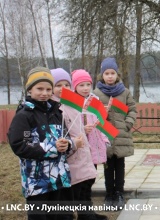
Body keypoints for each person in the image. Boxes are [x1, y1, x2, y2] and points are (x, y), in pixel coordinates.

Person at [7, 67, 77, 220]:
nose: (44, 93)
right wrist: (53, 148)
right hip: (37, 183)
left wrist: (68, 144)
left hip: (60, 180)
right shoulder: (24, 115)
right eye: (39, 88)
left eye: (48, 89)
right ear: (30, 89)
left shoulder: (57, 112)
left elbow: (66, 137)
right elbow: (21, 145)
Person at [51, 68, 107, 220]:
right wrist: (73, 142)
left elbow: (78, 125)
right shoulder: (55, 107)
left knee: (86, 183)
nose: (63, 89)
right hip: (71, 152)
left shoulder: (71, 104)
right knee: (76, 188)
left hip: (82, 150)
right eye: (58, 85)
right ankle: (84, 214)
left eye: (66, 85)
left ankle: (87, 213)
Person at [94, 57, 137, 209]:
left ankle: (119, 193)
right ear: (102, 75)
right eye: (107, 73)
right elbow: (92, 113)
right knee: (107, 167)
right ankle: (109, 193)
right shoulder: (96, 93)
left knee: (119, 166)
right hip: (104, 135)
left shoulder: (124, 92)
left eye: (112, 73)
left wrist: (128, 124)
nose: (110, 76)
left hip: (121, 136)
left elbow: (132, 109)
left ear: (117, 74)